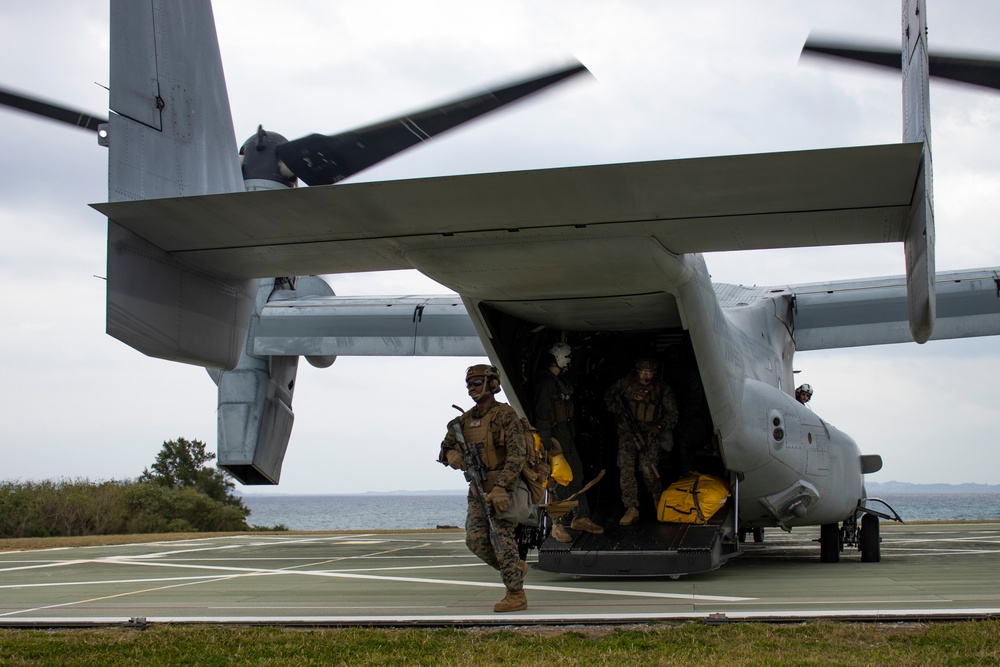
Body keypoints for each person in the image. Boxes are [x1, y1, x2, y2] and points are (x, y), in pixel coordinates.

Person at [438, 363, 530, 613]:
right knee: (475, 540)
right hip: (477, 489)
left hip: (504, 487)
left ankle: (516, 594)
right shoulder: (464, 420)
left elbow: (518, 454)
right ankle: (514, 569)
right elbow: (444, 449)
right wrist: (452, 456)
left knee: (501, 539)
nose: (472, 389)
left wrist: (502, 486)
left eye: (477, 383)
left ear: (492, 384)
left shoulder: (505, 415)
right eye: (469, 385)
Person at [531, 342, 604, 543]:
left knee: (576, 476)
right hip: (555, 439)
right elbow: (542, 414)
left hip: (566, 436)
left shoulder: (558, 381)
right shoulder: (545, 383)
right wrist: (546, 443)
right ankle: (557, 524)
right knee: (558, 482)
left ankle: (580, 517)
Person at [604, 356, 679, 526]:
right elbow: (608, 397)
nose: (646, 376)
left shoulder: (661, 389)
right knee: (626, 469)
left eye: (649, 373)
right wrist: (620, 412)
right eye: (643, 372)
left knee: (649, 469)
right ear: (638, 371)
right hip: (627, 433)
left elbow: (673, 413)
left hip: (649, 435)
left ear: (654, 373)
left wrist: (658, 428)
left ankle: (658, 499)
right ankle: (631, 507)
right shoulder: (625, 384)